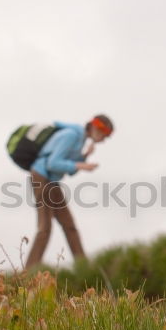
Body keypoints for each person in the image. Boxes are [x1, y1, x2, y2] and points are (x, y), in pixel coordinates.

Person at [24, 114, 114, 270]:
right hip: (41, 176)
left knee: (69, 225)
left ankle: (83, 269)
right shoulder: (71, 135)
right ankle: (27, 275)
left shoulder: (80, 140)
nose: (103, 140)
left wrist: (84, 157)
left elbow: (68, 169)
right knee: (45, 227)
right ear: (95, 128)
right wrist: (80, 165)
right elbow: (53, 163)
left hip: (52, 181)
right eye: (104, 135)